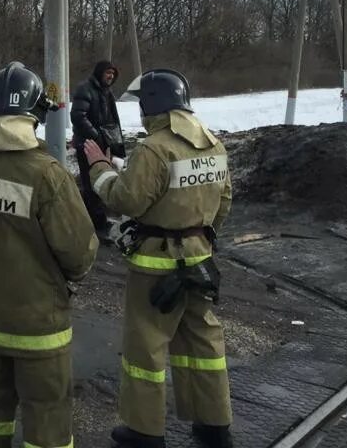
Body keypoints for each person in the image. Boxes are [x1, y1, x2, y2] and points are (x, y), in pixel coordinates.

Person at [0, 61, 98, 448]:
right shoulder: (46, 174)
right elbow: (79, 254)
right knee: (47, 416)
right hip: (38, 329)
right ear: (34, 115)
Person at [84, 69, 233, 448]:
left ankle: (144, 431)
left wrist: (99, 167)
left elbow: (126, 200)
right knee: (203, 344)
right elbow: (224, 200)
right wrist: (199, 234)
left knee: (146, 348)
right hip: (200, 261)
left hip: (157, 265)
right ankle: (213, 426)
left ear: (152, 105)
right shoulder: (213, 143)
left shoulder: (154, 148)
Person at [71, 60, 124, 240]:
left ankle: (99, 220)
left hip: (102, 143)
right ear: (99, 72)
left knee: (100, 180)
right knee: (90, 183)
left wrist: (113, 142)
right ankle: (93, 224)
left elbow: (111, 118)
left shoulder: (105, 91)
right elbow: (77, 115)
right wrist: (95, 135)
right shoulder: (85, 88)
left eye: (113, 74)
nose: (110, 76)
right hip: (87, 144)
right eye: (108, 73)